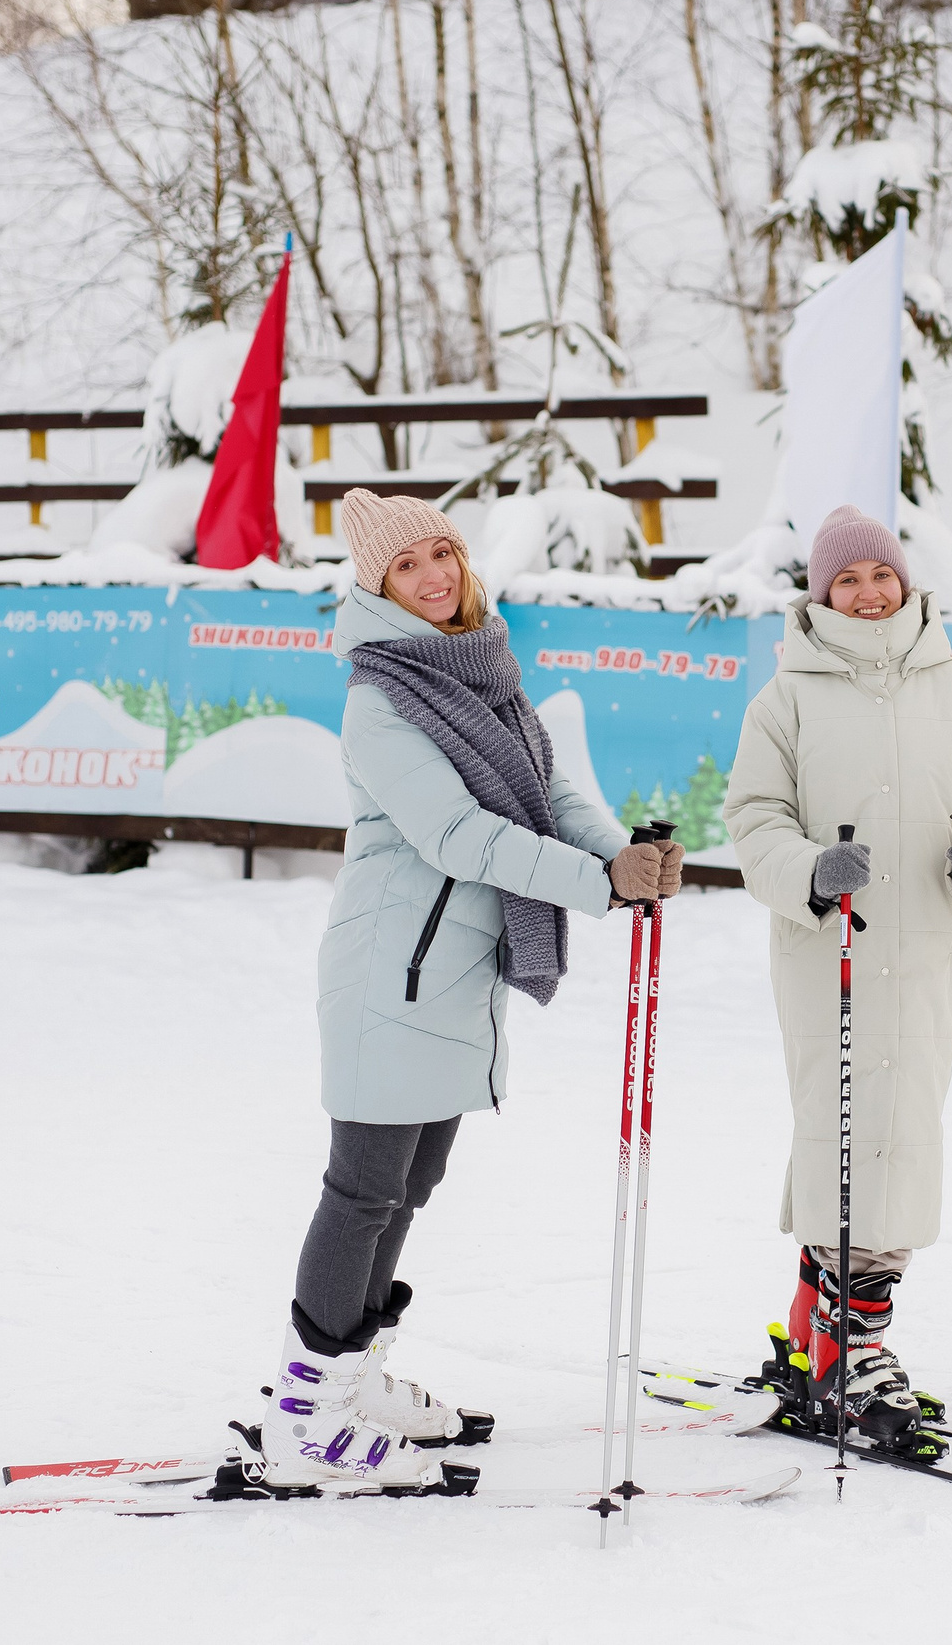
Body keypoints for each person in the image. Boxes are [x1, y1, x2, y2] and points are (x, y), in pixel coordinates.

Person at [240, 488, 683, 1493]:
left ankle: (349, 1377)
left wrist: (620, 852)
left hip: (451, 973)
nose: (433, 575)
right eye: (406, 566)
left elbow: (543, 793)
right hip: (390, 973)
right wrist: (597, 883)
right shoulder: (381, 698)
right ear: (377, 587)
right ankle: (306, 1416)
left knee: (411, 1184)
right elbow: (457, 834)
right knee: (362, 1189)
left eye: (440, 553)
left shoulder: (481, 669)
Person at [720, 504, 952, 1448]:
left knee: (902, 1135)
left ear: (905, 582)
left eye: (879, 575)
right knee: (843, 1134)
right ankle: (849, 1350)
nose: (866, 592)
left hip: (928, 949)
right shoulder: (786, 698)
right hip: (832, 951)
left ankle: (819, 1336)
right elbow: (753, 819)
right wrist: (810, 871)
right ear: (821, 595)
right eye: (845, 580)